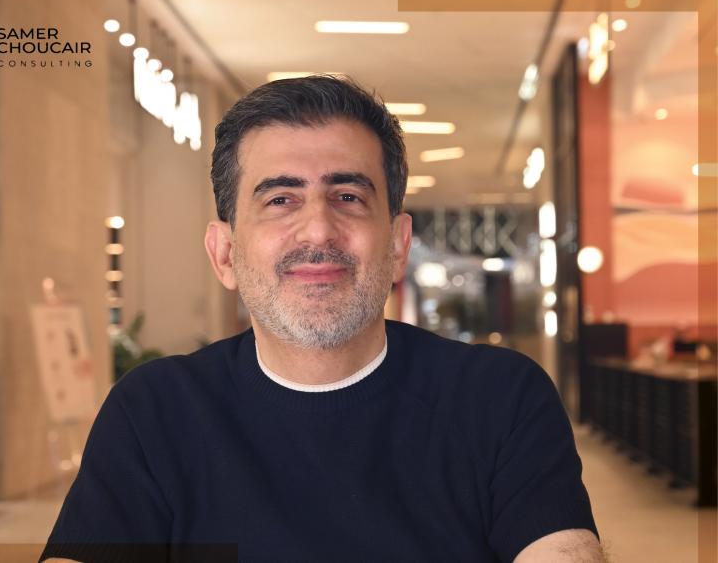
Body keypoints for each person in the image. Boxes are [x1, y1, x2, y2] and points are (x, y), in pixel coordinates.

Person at [40, 75, 603, 562]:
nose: (317, 229)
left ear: (398, 245)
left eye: (349, 196)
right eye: (280, 199)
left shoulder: (498, 397)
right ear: (225, 253)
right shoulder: (155, 411)